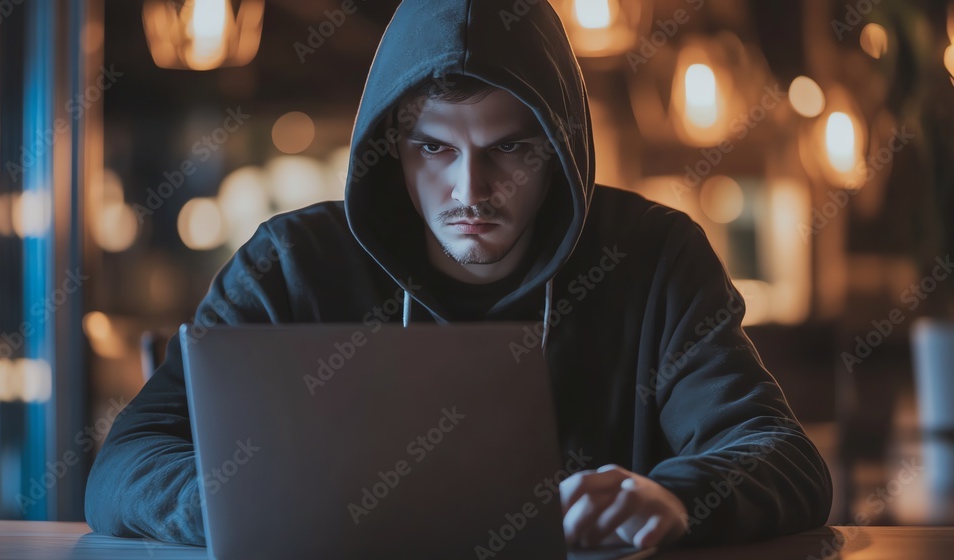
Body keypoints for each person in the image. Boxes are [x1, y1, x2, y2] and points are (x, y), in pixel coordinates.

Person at [85, 0, 832, 551]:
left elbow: (784, 458)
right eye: (434, 150)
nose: (471, 190)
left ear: (562, 150)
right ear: (392, 146)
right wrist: (251, 500)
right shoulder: (291, 263)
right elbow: (123, 467)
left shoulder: (653, 257)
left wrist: (676, 497)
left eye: (510, 149)